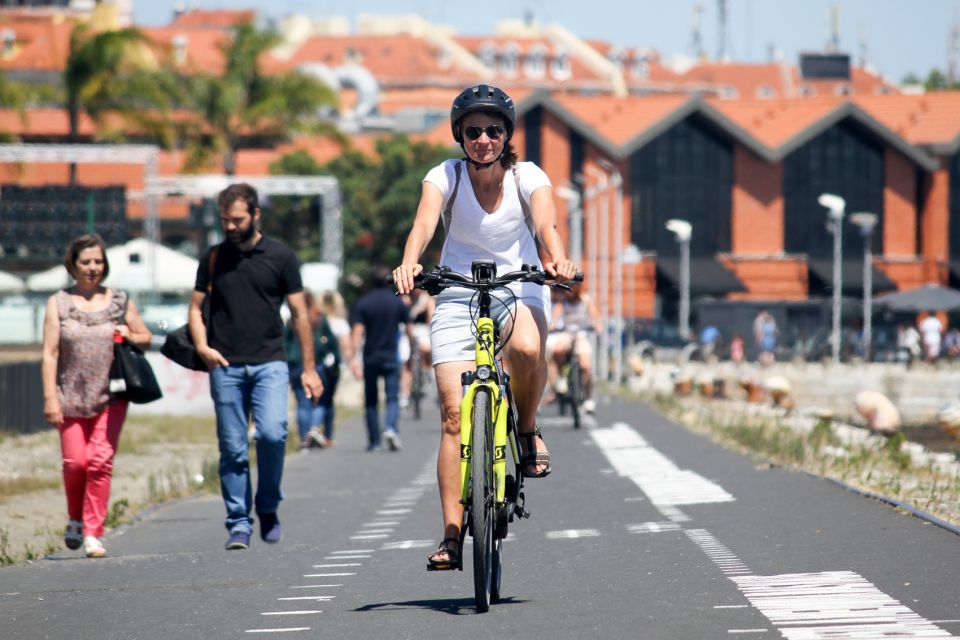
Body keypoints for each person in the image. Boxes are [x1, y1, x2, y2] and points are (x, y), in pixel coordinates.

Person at [392, 84, 578, 570]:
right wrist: (410, 264)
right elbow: (423, 223)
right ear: (460, 136)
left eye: (493, 131)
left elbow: (545, 224)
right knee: (454, 417)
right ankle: (452, 536)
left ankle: (527, 429)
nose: (483, 140)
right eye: (473, 131)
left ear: (506, 135)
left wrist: (556, 262)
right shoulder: (445, 176)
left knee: (527, 349)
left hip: (520, 284)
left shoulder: (526, 176)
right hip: (455, 289)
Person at [188, 183, 322, 551]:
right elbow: (195, 309)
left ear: (255, 215)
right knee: (232, 448)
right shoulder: (213, 257)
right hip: (226, 366)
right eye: (225, 220)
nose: (230, 227)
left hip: (270, 364)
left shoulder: (281, 257)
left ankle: (267, 506)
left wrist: (309, 368)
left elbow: (299, 314)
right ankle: (238, 522)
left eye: (237, 220)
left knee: (273, 434)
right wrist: (202, 346)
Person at [41, 233, 152, 558]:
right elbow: (49, 353)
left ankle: (93, 532)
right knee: (76, 462)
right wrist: (50, 397)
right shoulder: (58, 303)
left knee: (100, 462)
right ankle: (75, 517)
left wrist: (131, 334)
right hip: (70, 395)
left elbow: (146, 336)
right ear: (73, 265)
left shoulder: (119, 300)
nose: (93, 268)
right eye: (86, 262)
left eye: (98, 262)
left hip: (112, 394)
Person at [350, 265, 411, 452]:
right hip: (391, 355)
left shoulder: (363, 303)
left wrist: (353, 358)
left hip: (371, 357)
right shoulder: (397, 303)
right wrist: (413, 346)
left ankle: (374, 441)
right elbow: (409, 329)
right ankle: (391, 428)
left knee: (371, 400)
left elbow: (357, 333)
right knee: (392, 396)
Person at [285, 290, 341, 450]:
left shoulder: (291, 321)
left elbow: (285, 343)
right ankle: (315, 428)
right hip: (316, 364)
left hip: (296, 364)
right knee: (319, 400)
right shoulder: (319, 320)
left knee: (302, 403)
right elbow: (329, 340)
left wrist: (289, 356)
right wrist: (332, 357)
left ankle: (304, 438)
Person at [546, 283, 601, 413]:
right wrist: (552, 326)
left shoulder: (585, 300)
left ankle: (588, 398)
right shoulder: (562, 302)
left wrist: (597, 324)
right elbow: (556, 316)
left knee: (585, 366)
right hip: (567, 334)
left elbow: (594, 314)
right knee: (557, 350)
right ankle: (562, 378)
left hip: (582, 334)